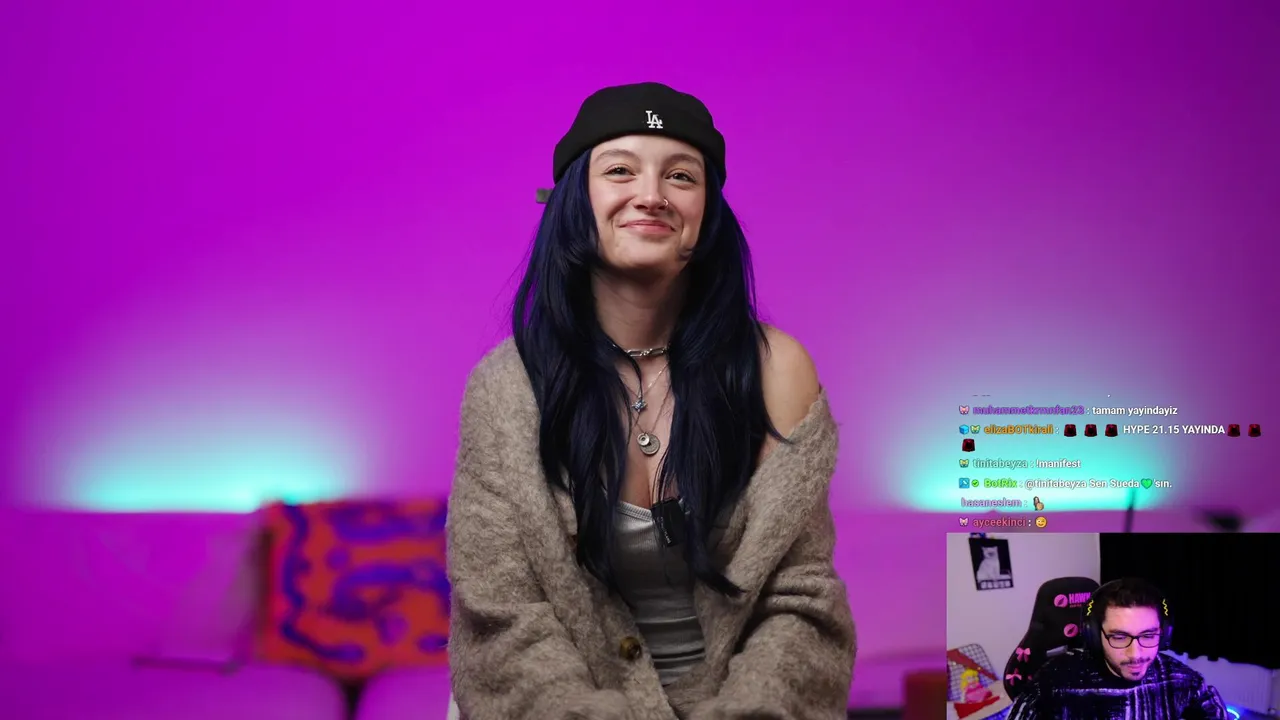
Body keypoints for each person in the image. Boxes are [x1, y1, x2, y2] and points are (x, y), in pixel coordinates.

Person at [446, 82, 856, 719]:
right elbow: (503, 617)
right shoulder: (506, 387)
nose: (652, 194)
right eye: (619, 170)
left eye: (681, 176)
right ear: (574, 201)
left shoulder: (776, 370)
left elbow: (800, 600)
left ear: (706, 213)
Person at [1007, 578, 1229, 719]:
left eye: (1148, 635)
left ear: (1164, 635)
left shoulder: (1183, 680)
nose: (1136, 654)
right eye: (1119, 637)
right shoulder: (1053, 682)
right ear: (1094, 635)